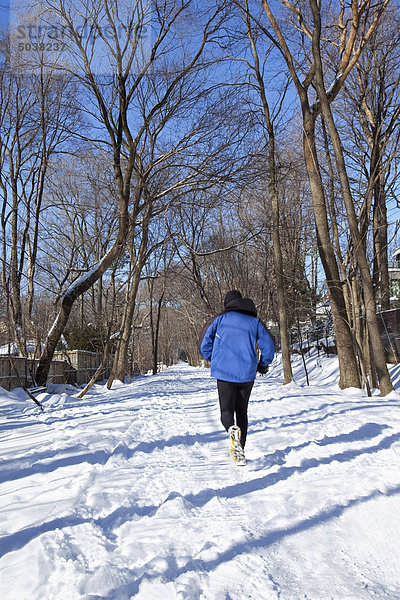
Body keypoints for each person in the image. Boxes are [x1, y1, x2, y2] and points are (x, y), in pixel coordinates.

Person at [199, 290, 275, 465]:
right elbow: (269, 346)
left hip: (224, 372)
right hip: (247, 373)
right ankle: (240, 450)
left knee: (226, 411)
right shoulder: (254, 322)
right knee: (242, 411)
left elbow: (205, 345)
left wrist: (215, 359)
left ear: (227, 304)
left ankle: (230, 429)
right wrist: (263, 364)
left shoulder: (220, 320)